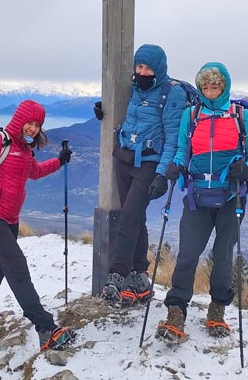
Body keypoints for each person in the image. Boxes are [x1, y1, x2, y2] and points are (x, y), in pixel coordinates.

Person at [156, 62, 248, 343]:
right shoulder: (191, 116)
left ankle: (217, 309)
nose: (211, 90)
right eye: (206, 85)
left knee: (223, 255)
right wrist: (175, 166)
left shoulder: (241, 116)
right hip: (197, 196)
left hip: (230, 196)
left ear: (224, 85)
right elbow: (183, 150)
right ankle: (176, 310)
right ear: (201, 87)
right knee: (188, 254)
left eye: (216, 85)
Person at [0, 99, 77, 351]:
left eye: (38, 125)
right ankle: (45, 327)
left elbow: (33, 172)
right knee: (17, 268)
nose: (33, 129)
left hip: (10, 220)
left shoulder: (24, 150)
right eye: (30, 123)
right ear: (19, 120)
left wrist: (59, 161)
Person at [95, 44, 191, 306]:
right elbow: (131, 119)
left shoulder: (172, 94)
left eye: (148, 67)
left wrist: (161, 174)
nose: (143, 71)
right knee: (136, 219)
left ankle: (116, 275)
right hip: (125, 159)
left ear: (159, 68)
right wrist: (104, 111)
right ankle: (139, 279)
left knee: (128, 218)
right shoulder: (136, 88)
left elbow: (173, 138)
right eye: (139, 66)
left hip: (149, 164)